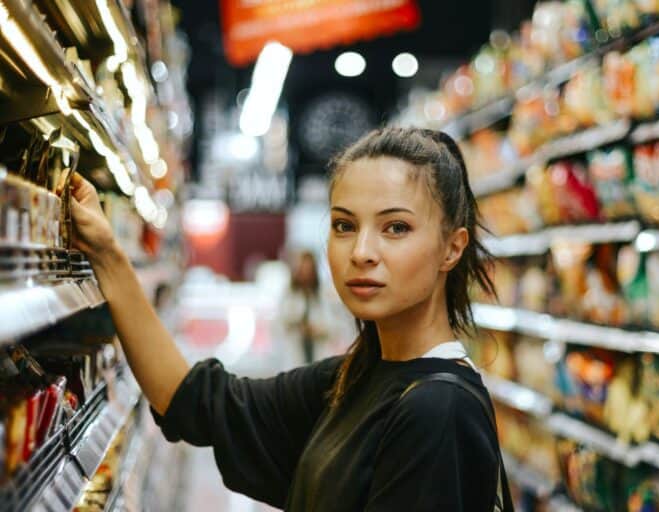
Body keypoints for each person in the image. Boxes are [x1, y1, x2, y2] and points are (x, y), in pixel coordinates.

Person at [66, 127, 514, 511]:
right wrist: (107, 255)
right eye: (344, 226)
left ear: (452, 248)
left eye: (395, 227)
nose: (361, 253)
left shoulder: (437, 409)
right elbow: (195, 402)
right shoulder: (355, 377)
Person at [280, 250, 329, 365]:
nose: (306, 273)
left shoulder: (321, 295)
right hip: (295, 350)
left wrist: (316, 329)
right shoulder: (290, 295)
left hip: (316, 350)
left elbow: (332, 327)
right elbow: (281, 322)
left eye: (309, 269)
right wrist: (298, 325)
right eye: (303, 268)